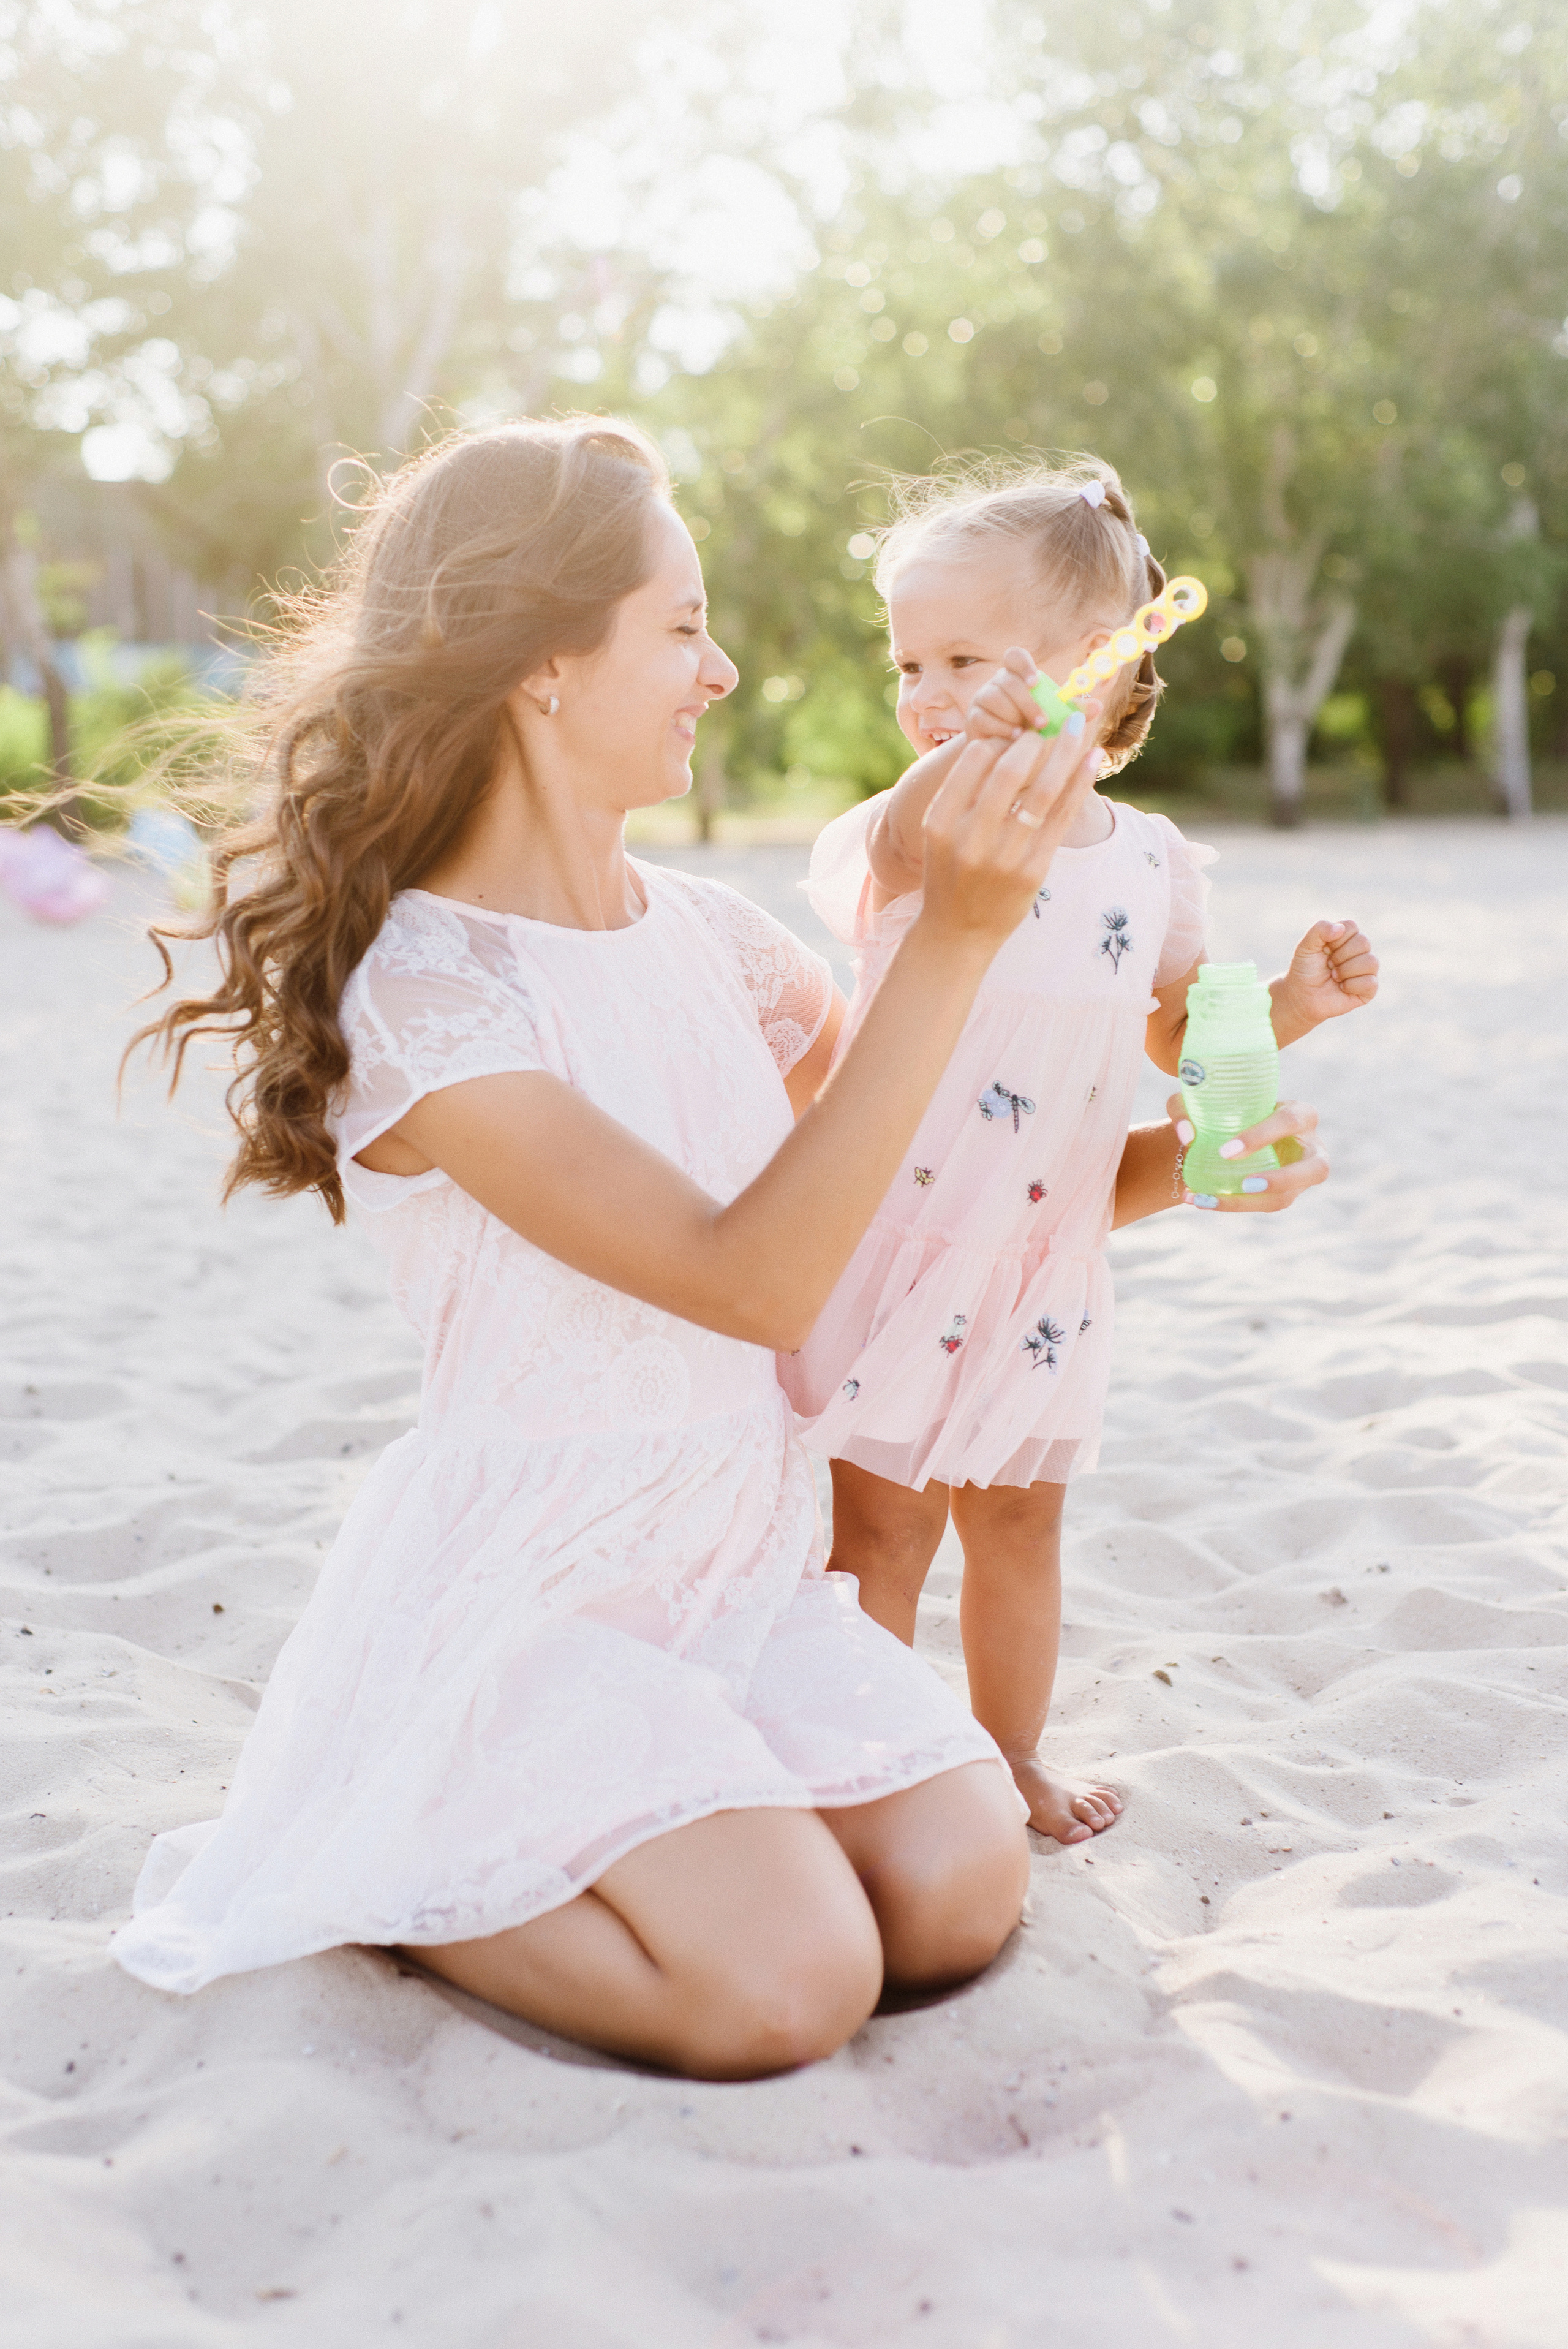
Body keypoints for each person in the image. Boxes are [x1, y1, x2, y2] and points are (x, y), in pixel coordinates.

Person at [110, 417, 1128, 2081]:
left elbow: (917, 1167)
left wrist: (1164, 1160)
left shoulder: (712, 937)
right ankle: (398, 1862)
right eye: (683, 626)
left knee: (956, 1890)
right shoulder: (429, 996)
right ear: (544, 665)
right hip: (544, 1601)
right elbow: (754, 1276)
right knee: (786, 1986)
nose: (720, 673)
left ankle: (669, 1827)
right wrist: (949, 933)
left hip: (738, 1570)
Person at [780, 458, 1373, 1846]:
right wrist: (964, 750)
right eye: (909, 664)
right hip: (895, 1241)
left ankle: (1009, 1754)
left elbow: (1179, 1035)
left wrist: (1288, 1007)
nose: (927, 691)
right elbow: (905, 834)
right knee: (882, 1536)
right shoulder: (929, 825)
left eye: (964, 659)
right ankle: (865, 1762)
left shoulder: (1148, 859)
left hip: (1044, 1263)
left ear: (1097, 669)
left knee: (1018, 1527)